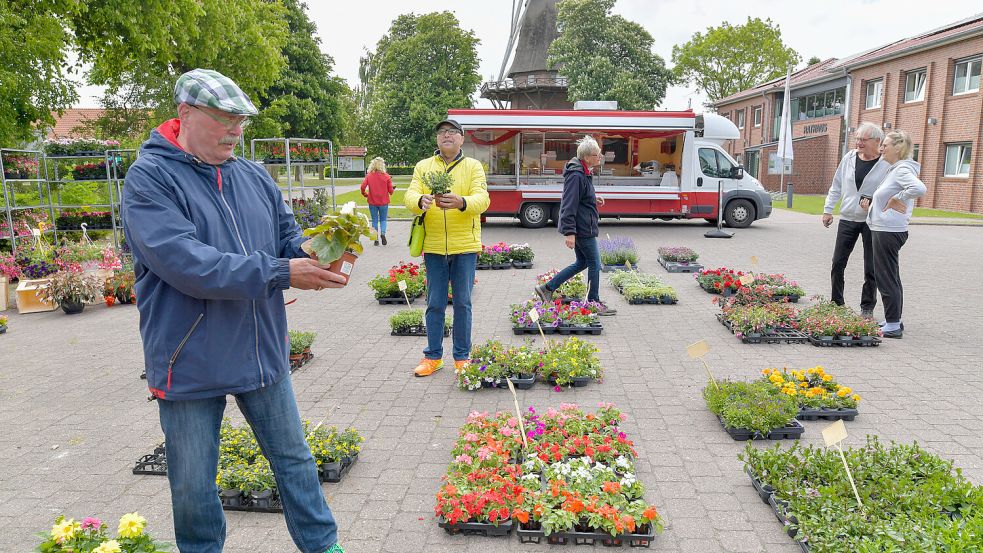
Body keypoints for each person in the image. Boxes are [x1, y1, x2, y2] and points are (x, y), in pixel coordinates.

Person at [122, 69, 345, 553]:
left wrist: (319, 249)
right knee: (193, 482)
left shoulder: (252, 175)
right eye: (224, 119)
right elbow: (188, 265)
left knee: (295, 460)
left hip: (260, 350)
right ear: (184, 115)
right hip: (189, 356)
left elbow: (286, 239)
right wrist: (283, 272)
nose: (235, 131)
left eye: (240, 121)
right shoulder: (149, 178)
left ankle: (324, 547)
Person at [404, 119, 490, 377]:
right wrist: (420, 200)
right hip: (433, 246)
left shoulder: (473, 166)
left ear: (462, 139)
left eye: (452, 132)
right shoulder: (423, 167)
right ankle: (432, 356)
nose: (447, 136)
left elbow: (483, 199)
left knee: (463, 303)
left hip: (464, 246)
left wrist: (462, 202)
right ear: (437, 139)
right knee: (434, 303)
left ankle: (462, 356)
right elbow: (408, 196)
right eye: (442, 132)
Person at [534, 135, 616, 315]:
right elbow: (569, 204)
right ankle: (593, 302)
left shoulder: (584, 172)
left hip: (583, 225)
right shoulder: (577, 175)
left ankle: (547, 288)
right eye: (597, 155)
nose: (600, 157)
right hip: (582, 228)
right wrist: (570, 232)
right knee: (595, 263)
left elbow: (580, 197)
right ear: (587, 157)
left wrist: (593, 197)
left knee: (582, 262)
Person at [822, 121, 890, 319]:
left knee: (871, 266)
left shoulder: (886, 164)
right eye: (857, 138)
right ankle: (837, 303)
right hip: (848, 218)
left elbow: (891, 192)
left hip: (872, 221)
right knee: (838, 263)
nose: (859, 142)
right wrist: (828, 210)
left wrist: (874, 203)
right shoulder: (849, 158)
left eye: (863, 139)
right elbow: (836, 185)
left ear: (877, 141)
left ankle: (867, 307)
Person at [862, 130, 926, 339]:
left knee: (886, 277)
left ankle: (892, 325)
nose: (881, 149)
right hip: (886, 229)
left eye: (885, 146)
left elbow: (919, 188)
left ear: (898, 148)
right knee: (891, 276)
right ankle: (894, 319)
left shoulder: (901, 170)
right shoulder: (895, 169)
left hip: (888, 232)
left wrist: (899, 197)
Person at [360, 156, 394, 246]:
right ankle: (383, 233)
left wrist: (365, 194)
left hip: (372, 201)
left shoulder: (369, 176)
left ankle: (375, 239)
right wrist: (392, 190)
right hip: (384, 202)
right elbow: (390, 190)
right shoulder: (386, 176)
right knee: (383, 219)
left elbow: (362, 187)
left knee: (374, 220)